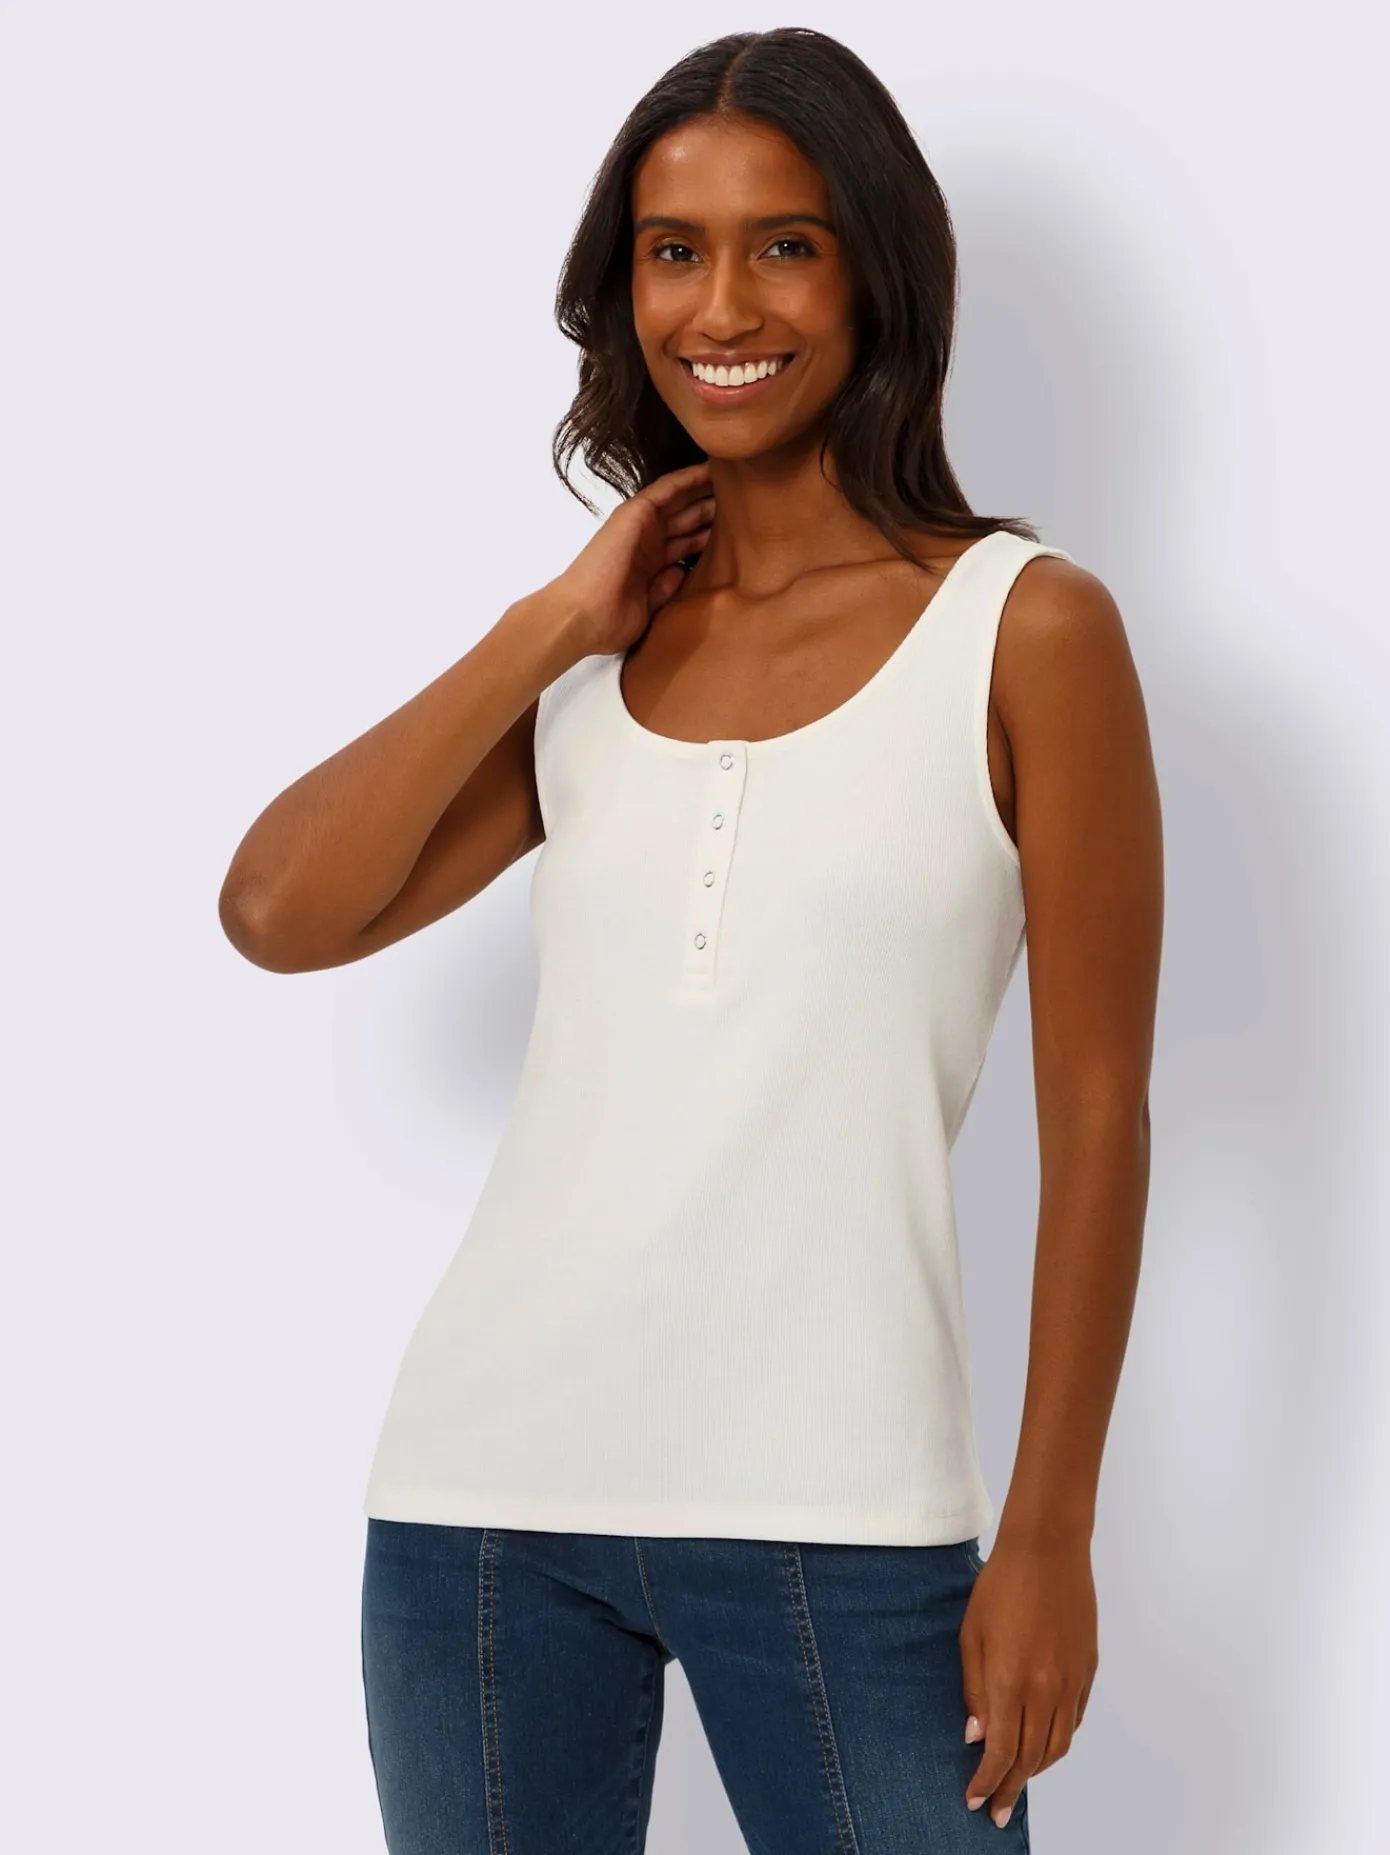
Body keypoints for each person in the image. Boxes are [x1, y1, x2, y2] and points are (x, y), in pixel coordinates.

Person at [219, 25, 1162, 1854]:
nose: (721, 305)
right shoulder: (603, 652)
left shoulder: (1027, 629)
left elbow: (1102, 1110)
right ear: (623, 288)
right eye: (673, 250)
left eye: (782, 244)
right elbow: (276, 909)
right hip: (486, 1500)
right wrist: (546, 626)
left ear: (876, 274)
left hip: (845, 1511)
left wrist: (1050, 1528)